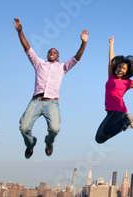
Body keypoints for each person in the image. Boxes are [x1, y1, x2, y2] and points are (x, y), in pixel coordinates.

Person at [13, 17, 89, 158]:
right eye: (50, 51)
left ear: (58, 56)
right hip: (36, 101)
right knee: (24, 128)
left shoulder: (62, 67)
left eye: (54, 52)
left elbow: (77, 58)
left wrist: (83, 43)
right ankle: (31, 144)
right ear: (47, 55)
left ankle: (49, 143)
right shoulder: (39, 63)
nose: (52, 52)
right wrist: (20, 32)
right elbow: (27, 48)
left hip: (52, 103)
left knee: (54, 129)